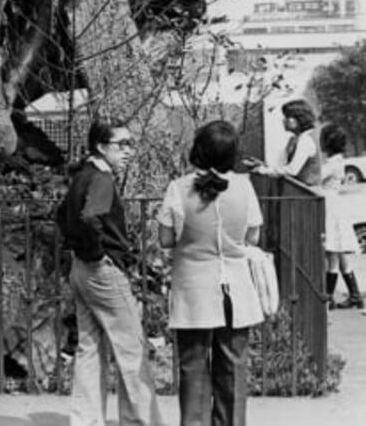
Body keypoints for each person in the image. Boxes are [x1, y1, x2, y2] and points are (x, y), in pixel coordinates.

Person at [157, 120, 265, 426]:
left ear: (198, 150)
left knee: (193, 365)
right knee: (233, 364)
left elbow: (165, 239)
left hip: (194, 289)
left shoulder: (178, 189)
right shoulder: (245, 187)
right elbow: (252, 237)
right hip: (236, 288)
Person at [58, 119, 163, 426]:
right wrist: (98, 255)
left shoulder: (81, 176)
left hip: (81, 269)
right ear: (102, 147)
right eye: (121, 145)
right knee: (131, 348)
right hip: (101, 270)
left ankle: (86, 420)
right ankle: (142, 421)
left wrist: (82, 252)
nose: (128, 151)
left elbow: (61, 215)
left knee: (90, 347)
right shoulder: (102, 178)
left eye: (130, 144)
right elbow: (91, 217)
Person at [319, 123, 362, 309]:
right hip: (335, 207)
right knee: (340, 253)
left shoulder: (332, 164)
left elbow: (316, 178)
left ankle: (328, 298)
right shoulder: (339, 161)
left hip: (331, 209)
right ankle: (355, 294)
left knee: (333, 256)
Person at [250, 99, 320, 187]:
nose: (284, 120)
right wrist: (263, 165)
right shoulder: (294, 139)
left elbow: (292, 170)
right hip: (299, 189)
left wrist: (263, 170)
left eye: (287, 117)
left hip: (307, 191)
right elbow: (283, 166)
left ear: (299, 119)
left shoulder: (306, 139)